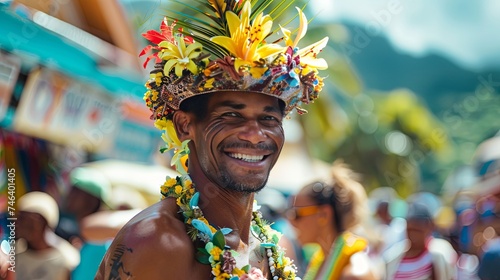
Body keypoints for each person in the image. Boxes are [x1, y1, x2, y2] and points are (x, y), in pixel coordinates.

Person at [95, 0, 329, 279]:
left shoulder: (270, 247)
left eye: (269, 119)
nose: (255, 134)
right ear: (184, 126)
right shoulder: (158, 242)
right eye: (231, 115)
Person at [286, 161, 380, 280]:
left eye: (296, 214)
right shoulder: (321, 259)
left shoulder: (354, 274)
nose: (290, 221)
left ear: (323, 215)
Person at [14, 191, 80, 280]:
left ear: (42, 222)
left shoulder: (67, 259)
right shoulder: (14, 253)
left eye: (24, 218)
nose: (17, 223)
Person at [384, 201, 456, 280]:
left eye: (417, 231)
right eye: (410, 230)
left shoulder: (439, 252)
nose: (413, 235)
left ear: (429, 227)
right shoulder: (394, 257)